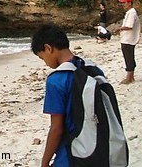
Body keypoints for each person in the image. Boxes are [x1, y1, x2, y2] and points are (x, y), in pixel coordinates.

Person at [31, 23, 105, 167]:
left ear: (48, 48)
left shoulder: (56, 80)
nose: (45, 63)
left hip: (73, 153)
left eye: (42, 58)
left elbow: (57, 129)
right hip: (100, 145)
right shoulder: (93, 69)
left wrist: (45, 162)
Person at [113, 0, 141, 84]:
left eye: (124, 3)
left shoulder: (132, 12)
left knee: (128, 57)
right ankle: (131, 77)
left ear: (129, 3)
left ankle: (129, 78)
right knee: (130, 57)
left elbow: (129, 26)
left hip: (128, 39)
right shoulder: (131, 12)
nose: (123, 5)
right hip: (128, 38)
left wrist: (119, 28)